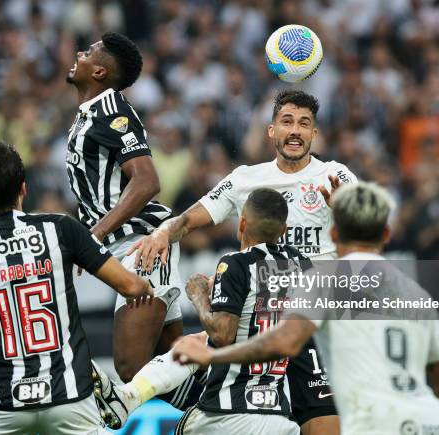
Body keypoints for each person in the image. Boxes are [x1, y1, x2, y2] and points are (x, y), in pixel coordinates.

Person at [130, 90, 356, 433]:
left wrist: (348, 212)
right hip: (259, 321)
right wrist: (163, 233)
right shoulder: (245, 179)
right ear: (271, 130)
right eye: (287, 122)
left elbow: (373, 225)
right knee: (198, 350)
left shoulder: (335, 176)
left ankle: (134, 397)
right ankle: (132, 397)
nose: (295, 130)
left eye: (304, 124)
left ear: (315, 133)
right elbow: (191, 219)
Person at [173, 182, 439, 435]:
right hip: (428, 422)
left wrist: (214, 353)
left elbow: (284, 341)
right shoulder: (415, 295)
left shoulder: (321, 282)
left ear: (333, 234)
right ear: (387, 234)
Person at [0, 139, 152, 434]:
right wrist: (147, 282)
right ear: (23, 187)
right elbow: (131, 287)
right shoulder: (62, 228)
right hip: (71, 401)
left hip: (2, 407)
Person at [94, 188, 307, 435]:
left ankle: (128, 397)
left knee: (197, 344)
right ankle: (128, 397)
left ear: (243, 224)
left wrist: (199, 297)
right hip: (278, 417)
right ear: (284, 230)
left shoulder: (236, 262)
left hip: (227, 416)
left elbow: (223, 335)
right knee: (198, 342)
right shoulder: (303, 266)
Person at [64, 32, 190, 409]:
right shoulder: (89, 113)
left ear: (100, 71)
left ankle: (236, 399)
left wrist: (93, 236)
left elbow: (147, 180)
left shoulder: (111, 109)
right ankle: (225, 411)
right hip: (125, 246)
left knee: (132, 366)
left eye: (87, 53)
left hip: (142, 242)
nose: (78, 54)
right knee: (173, 357)